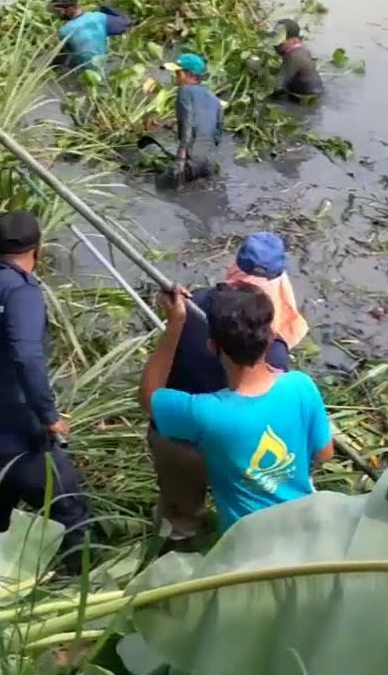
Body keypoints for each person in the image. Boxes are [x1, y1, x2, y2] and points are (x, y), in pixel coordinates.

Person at [0, 210, 97, 571]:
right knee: (71, 513)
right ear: (38, 250)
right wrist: (49, 417)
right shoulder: (22, 291)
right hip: (13, 435)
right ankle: (87, 590)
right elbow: (28, 357)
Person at [143, 233, 308, 548]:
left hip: (180, 441)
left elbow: (149, 399)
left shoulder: (193, 306)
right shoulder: (288, 372)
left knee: (179, 513)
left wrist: (174, 323)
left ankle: (180, 534)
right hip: (234, 448)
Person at [158, 53, 222, 189]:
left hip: (192, 158)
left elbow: (188, 122)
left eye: (178, 73)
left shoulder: (184, 91)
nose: (176, 77)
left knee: (161, 186)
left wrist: (181, 158)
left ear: (190, 75)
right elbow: (217, 133)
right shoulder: (214, 98)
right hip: (210, 162)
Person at [51, 0, 131, 72]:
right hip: (104, 70)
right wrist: (104, 8)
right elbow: (127, 23)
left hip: (85, 75)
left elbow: (64, 56)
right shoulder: (99, 18)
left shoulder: (64, 31)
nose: (58, 14)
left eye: (59, 11)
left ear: (70, 9)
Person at [270, 19, 323, 101]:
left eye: (279, 39)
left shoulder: (293, 57)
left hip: (304, 98)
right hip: (315, 92)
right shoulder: (303, 50)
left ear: (292, 40)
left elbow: (277, 86)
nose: (276, 43)